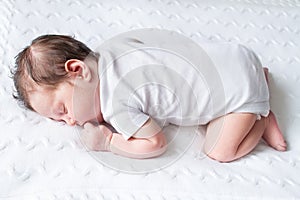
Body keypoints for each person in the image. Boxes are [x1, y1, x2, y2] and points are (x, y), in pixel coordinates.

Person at [12, 29, 287, 162]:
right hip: (234, 55)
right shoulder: (114, 46)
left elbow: (155, 143)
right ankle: (258, 79)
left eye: (62, 110)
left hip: (237, 91)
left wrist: (110, 142)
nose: (70, 121)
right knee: (201, 107)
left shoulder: (115, 104)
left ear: (77, 71)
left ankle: (260, 113)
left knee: (218, 151)